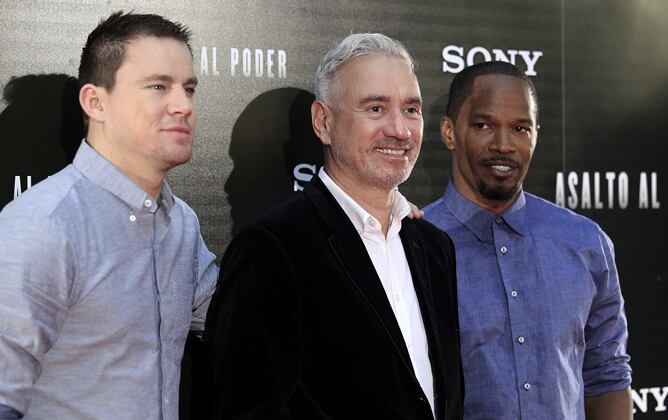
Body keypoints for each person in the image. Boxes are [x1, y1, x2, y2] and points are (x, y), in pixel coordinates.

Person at [205, 33, 464, 420]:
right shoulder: (272, 249)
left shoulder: (434, 247)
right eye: (375, 109)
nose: (400, 129)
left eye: (411, 109)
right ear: (323, 122)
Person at [0, 11, 218, 419]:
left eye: (189, 88)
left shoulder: (181, 223)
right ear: (95, 102)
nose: (183, 105)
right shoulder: (44, 225)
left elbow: (232, 319)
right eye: (158, 86)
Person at [423, 61, 632, 419]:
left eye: (520, 128)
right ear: (449, 132)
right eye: (483, 125)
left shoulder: (585, 241)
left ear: (536, 134)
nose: (504, 145)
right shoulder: (414, 246)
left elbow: (606, 375)